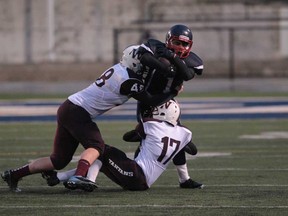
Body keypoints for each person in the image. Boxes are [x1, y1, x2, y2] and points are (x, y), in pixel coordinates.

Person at [1, 46, 178, 193]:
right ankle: (79, 176)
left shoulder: (120, 69)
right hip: (77, 111)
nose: (144, 67)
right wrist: (173, 91)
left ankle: (13, 174)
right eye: (142, 63)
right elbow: (150, 100)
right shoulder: (129, 80)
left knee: (58, 160)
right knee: (97, 147)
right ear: (134, 62)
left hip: (69, 107)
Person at [42, 100, 204, 191]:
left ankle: (85, 182)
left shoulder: (150, 125)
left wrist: (144, 133)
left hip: (137, 175)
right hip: (141, 178)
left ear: (162, 112)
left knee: (101, 150)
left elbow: (127, 137)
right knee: (103, 160)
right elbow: (191, 150)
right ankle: (59, 177)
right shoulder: (184, 133)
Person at [123, 24, 204, 188]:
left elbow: (188, 75)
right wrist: (165, 66)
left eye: (184, 44)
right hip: (149, 100)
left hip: (168, 101)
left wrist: (173, 58)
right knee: (147, 142)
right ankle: (133, 173)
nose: (180, 47)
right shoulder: (156, 47)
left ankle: (184, 179)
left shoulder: (192, 60)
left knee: (177, 138)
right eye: (177, 42)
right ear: (168, 40)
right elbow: (145, 58)